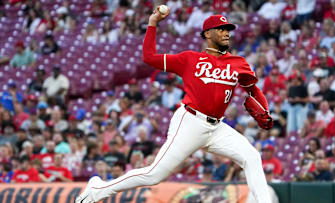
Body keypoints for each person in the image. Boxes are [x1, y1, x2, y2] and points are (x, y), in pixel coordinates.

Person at [76, 10, 273, 203]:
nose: (226, 32)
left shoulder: (238, 63)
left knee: (252, 156)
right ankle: (96, 190)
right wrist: (153, 23)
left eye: (227, 29)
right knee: (154, 175)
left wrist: (265, 109)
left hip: (217, 128)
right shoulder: (189, 59)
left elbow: (253, 90)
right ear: (207, 34)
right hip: (190, 122)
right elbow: (149, 57)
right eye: (221, 29)